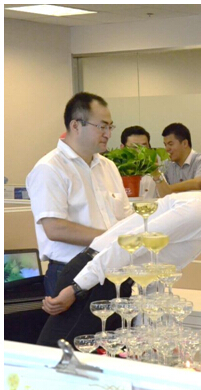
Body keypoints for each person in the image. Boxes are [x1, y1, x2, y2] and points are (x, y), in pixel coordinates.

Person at [37, 161, 201, 347]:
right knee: (50, 363)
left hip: (112, 283)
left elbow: (153, 268)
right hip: (95, 278)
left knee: (92, 373)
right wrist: (77, 288)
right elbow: (130, 243)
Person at [26, 92, 132, 297]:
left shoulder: (108, 166)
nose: (108, 134)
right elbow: (55, 228)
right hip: (71, 272)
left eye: (110, 127)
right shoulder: (50, 168)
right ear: (75, 125)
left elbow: (126, 218)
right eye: (102, 126)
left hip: (112, 270)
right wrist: (110, 238)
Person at [152, 123, 201, 197]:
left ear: (185, 143)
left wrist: (167, 189)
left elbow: (197, 184)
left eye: (170, 144)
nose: (167, 149)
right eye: (165, 145)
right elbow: (160, 193)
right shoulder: (167, 164)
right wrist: (156, 173)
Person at [120, 125, 157, 199]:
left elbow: (167, 198)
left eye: (144, 146)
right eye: (135, 147)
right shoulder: (114, 171)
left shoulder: (155, 170)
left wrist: (157, 174)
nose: (140, 151)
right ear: (122, 148)